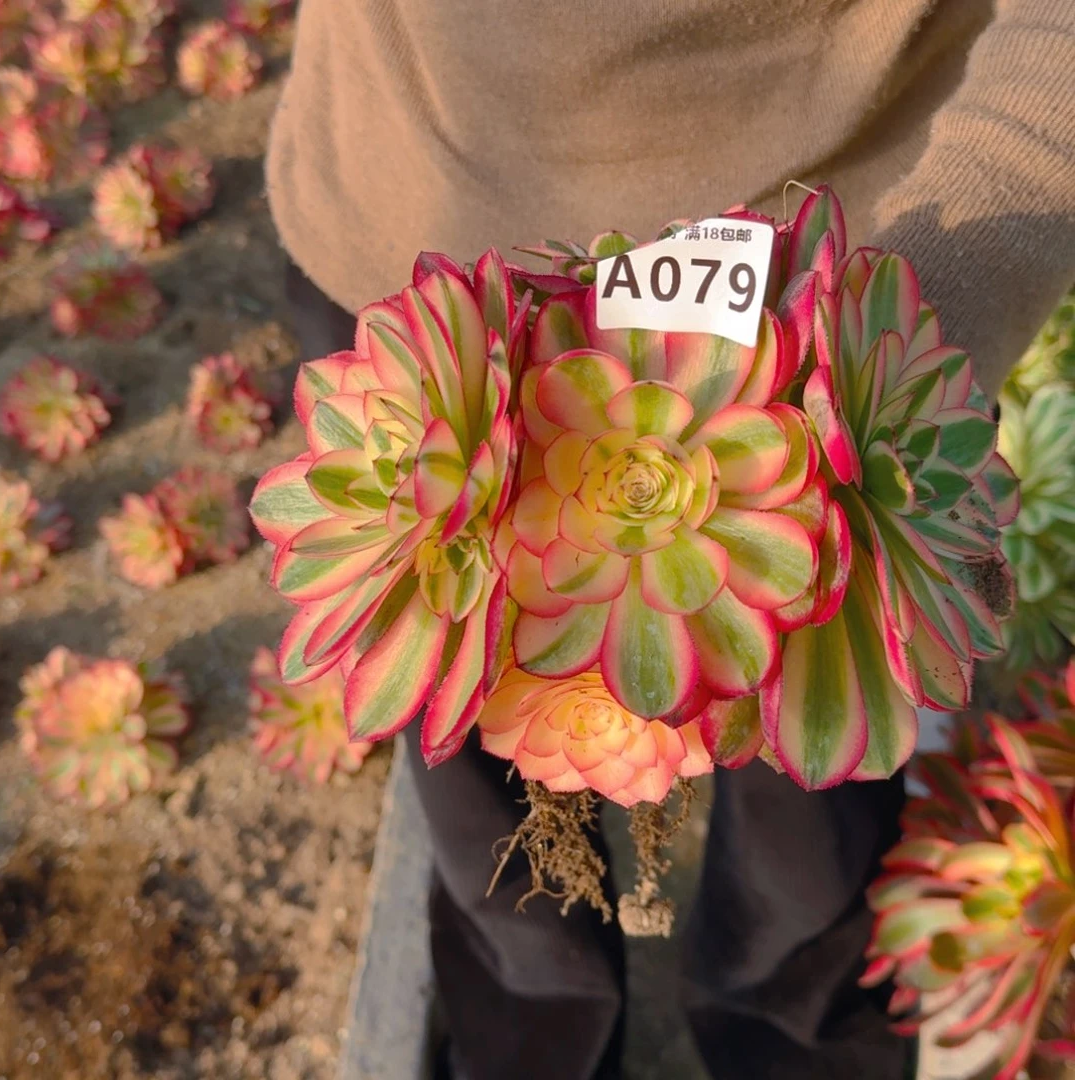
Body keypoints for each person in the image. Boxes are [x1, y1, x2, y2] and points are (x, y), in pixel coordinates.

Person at [268, 3, 1075, 1078]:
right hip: (407, 267)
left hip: (815, 317)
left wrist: (912, 318)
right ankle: (532, 1032)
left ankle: (794, 1041)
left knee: (812, 834)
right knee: (476, 798)